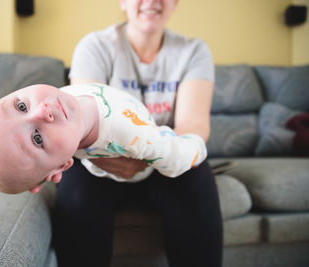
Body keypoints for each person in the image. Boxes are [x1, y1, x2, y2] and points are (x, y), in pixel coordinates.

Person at [53, 0, 223, 266]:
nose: (153, 1)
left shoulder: (194, 51)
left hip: (165, 163)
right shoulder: (95, 46)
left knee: (197, 172)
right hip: (105, 160)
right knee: (74, 183)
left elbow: (193, 127)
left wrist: (157, 154)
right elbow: (83, 123)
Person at [0, 83, 207, 194]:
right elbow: (175, 158)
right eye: (37, 139)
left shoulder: (63, 98)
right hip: (137, 167)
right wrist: (195, 144)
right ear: (62, 166)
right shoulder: (132, 135)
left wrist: (39, 169)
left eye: (20, 105)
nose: (42, 110)